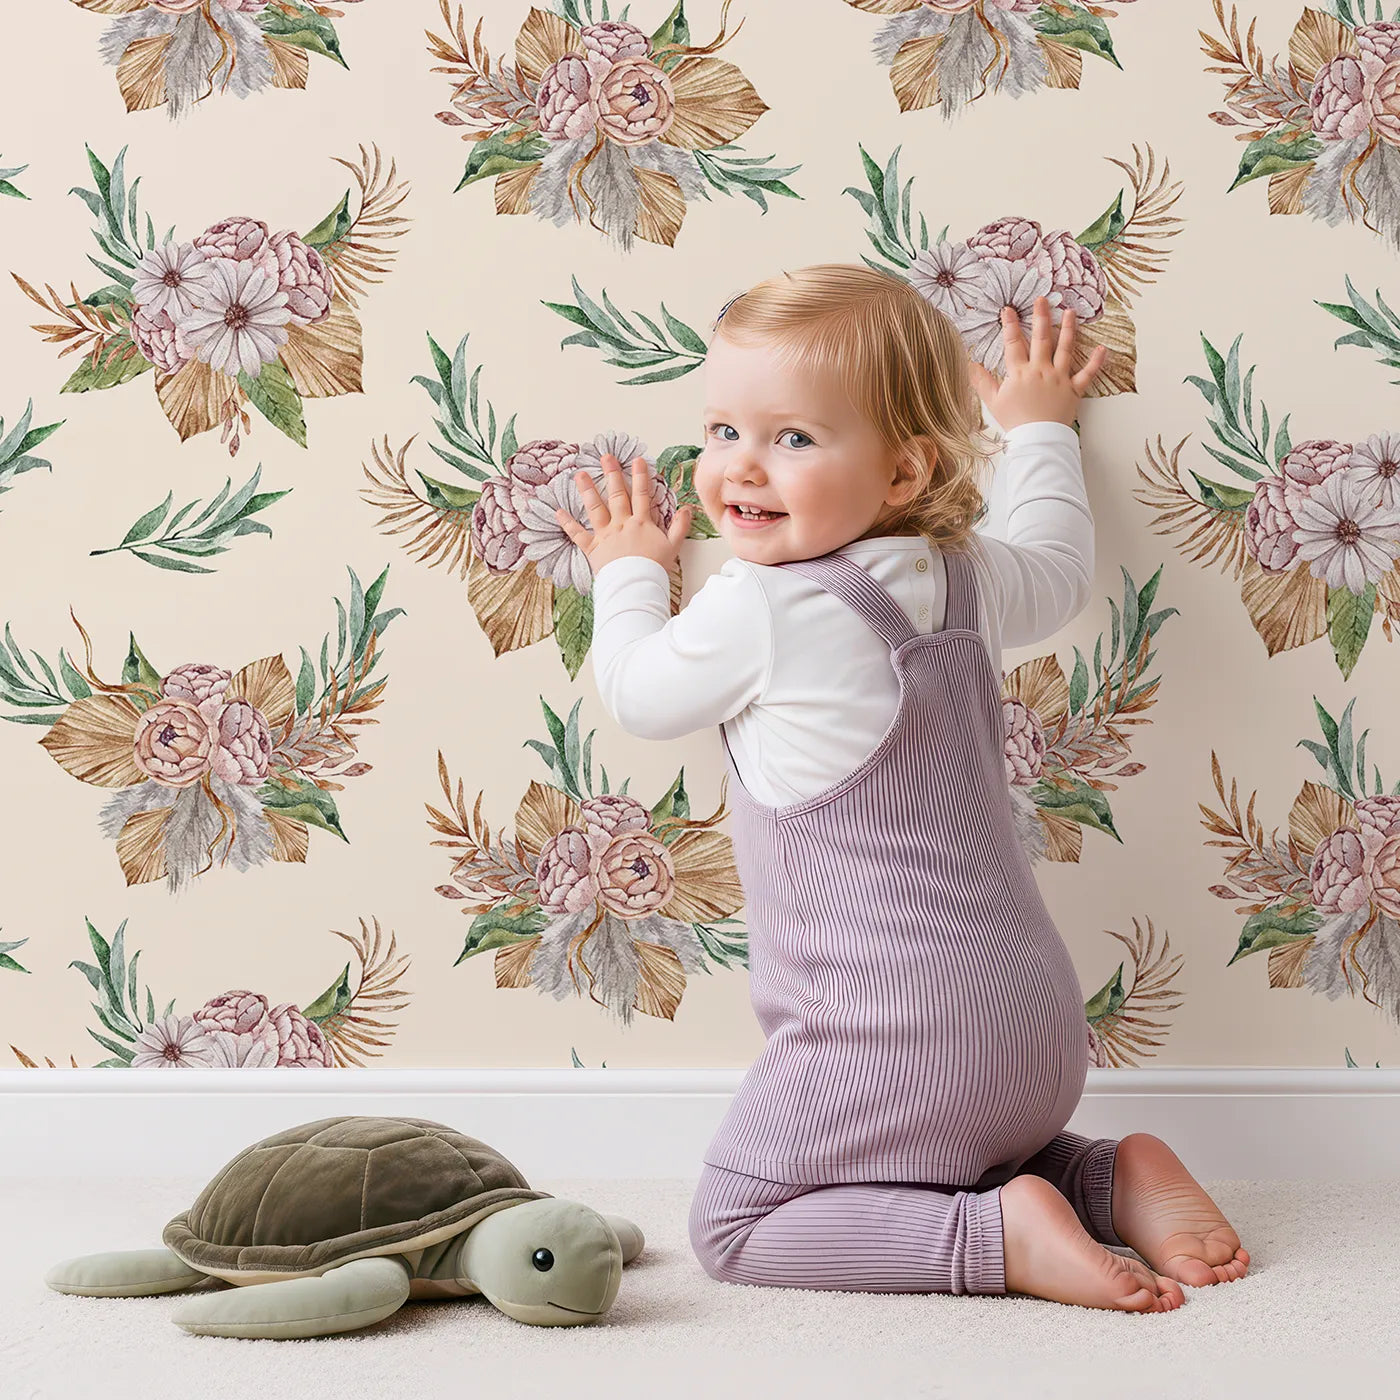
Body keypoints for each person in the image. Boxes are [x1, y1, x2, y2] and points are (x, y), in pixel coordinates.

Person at [555, 264, 1249, 1311]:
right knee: (932, 1149)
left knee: (734, 1225)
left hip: (897, 1039)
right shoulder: (959, 567)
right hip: (1034, 1029)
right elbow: (1060, 568)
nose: (738, 468)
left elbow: (641, 693)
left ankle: (995, 1234)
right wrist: (1037, 428)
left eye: (790, 438)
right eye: (719, 431)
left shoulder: (763, 605)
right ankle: (1096, 1176)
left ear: (898, 472)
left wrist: (627, 567)